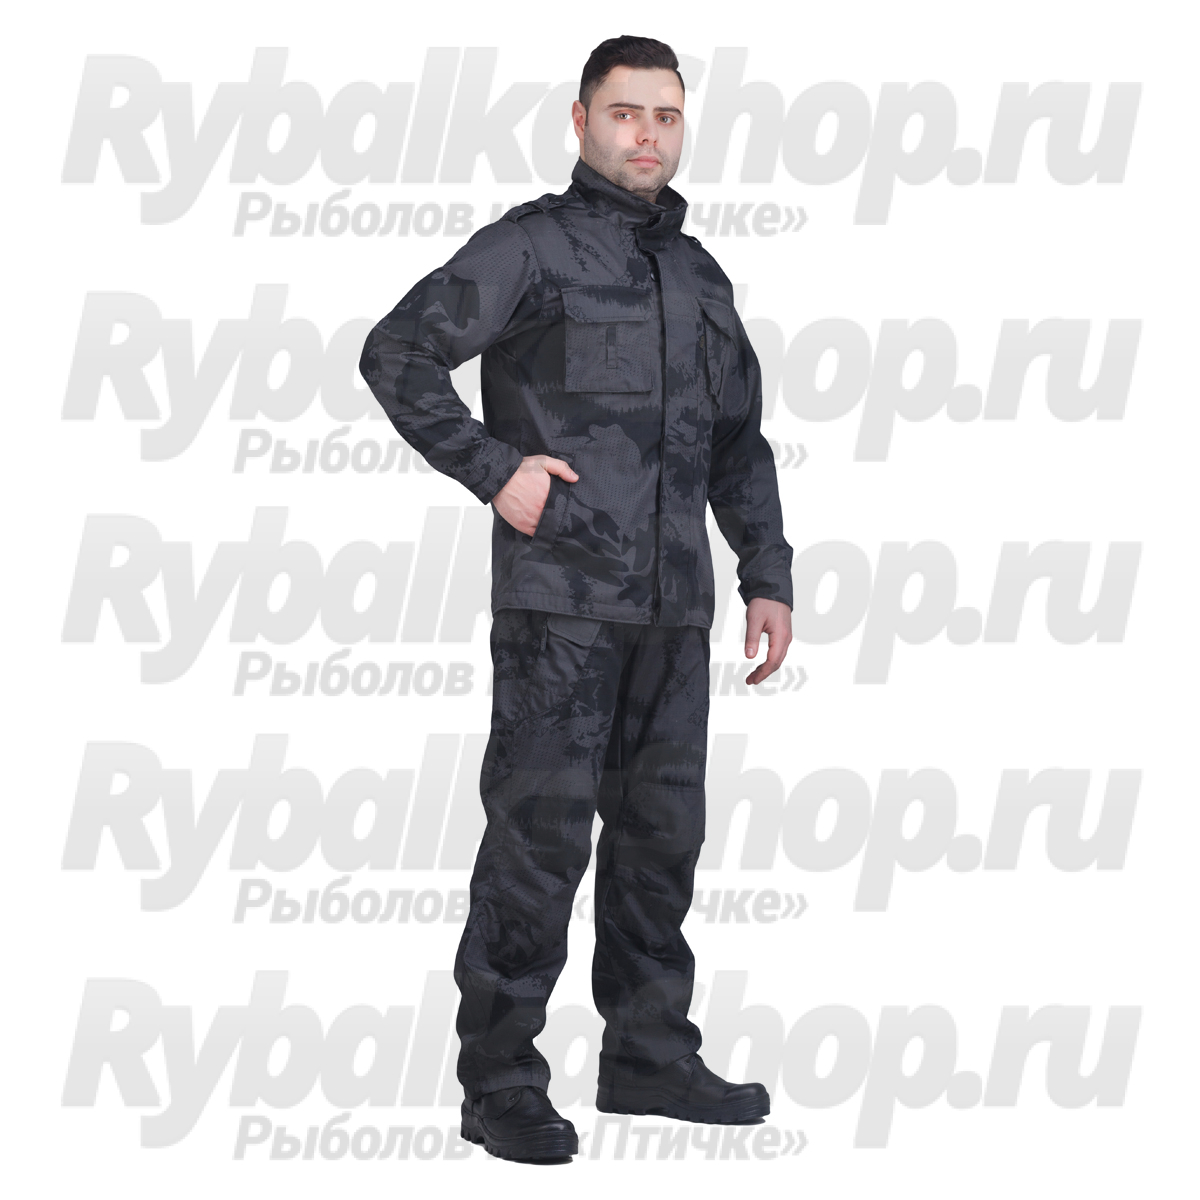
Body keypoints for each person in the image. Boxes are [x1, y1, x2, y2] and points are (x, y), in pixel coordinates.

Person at [359, 34, 794, 1163]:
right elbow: (398, 352)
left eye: (665, 116)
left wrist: (766, 572)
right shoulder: (532, 248)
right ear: (582, 121)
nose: (646, 135)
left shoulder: (699, 277)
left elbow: (739, 441)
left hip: (674, 611)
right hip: (561, 607)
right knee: (538, 844)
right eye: (625, 113)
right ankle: (500, 1081)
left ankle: (648, 1056)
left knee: (662, 840)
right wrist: (493, 467)